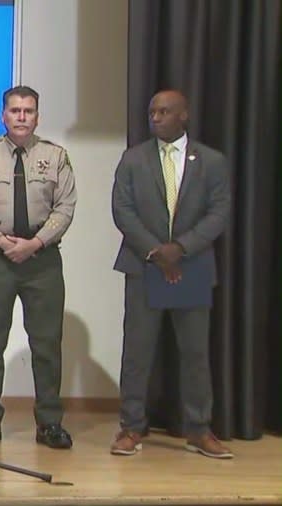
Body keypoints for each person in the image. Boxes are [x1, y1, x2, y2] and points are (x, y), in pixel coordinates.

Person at [110, 89, 232, 458]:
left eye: (165, 111)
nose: (156, 117)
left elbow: (219, 212)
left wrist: (180, 249)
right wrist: (156, 251)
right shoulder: (133, 159)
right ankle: (131, 427)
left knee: (195, 353)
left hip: (192, 266)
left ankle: (199, 428)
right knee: (137, 352)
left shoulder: (211, 161)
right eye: (152, 112)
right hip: (143, 265)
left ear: (184, 115)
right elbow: (123, 211)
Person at [0, 85, 77, 449]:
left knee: (46, 345)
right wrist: (1, 241)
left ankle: (49, 423)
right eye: (15, 111)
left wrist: (35, 243)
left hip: (42, 260)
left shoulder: (55, 156)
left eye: (28, 111)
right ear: (3, 115)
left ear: (37, 116)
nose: (22, 117)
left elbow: (65, 208)